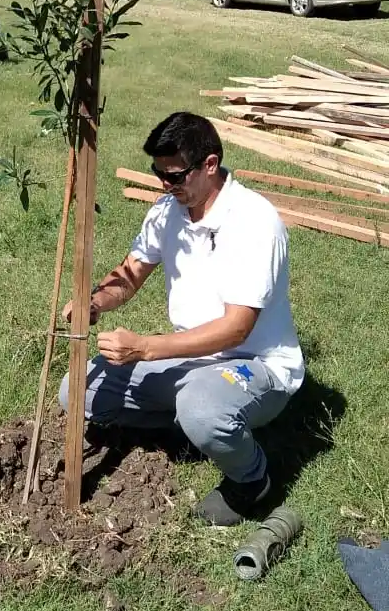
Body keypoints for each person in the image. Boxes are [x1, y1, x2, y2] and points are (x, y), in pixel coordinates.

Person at [60, 112, 304, 527]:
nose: (164, 186)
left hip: (256, 364)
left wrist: (144, 349)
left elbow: (236, 328)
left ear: (210, 165)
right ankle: (192, 431)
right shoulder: (167, 211)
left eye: (174, 177)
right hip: (191, 357)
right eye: (158, 175)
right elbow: (132, 272)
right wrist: (96, 301)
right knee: (76, 392)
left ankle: (252, 479)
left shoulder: (253, 222)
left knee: (202, 407)